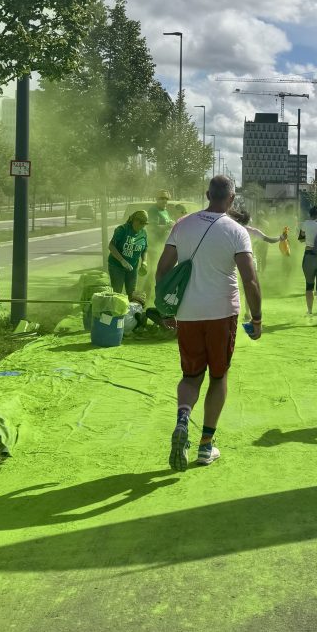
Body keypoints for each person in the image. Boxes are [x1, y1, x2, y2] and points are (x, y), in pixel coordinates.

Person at [157, 175, 262, 471]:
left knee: (191, 376)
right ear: (231, 199)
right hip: (222, 313)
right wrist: (256, 318)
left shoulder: (182, 225)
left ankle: (182, 418)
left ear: (207, 195)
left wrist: (165, 308)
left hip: (187, 313)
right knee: (218, 377)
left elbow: (163, 270)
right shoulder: (237, 231)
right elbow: (250, 280)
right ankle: (205, 446)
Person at [108, 210, 148, 296]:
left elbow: (145, 249)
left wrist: (144, 262)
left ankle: (129, 305)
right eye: (141, 223)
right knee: (117, 292)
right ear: (134, 220)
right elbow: (111, 246)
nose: (142, 226)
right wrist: (122, 261)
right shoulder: (122, 229)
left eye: (144, 224)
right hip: (117, 266)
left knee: (131, 292)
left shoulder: (143, 233)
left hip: (132, 268)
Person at [147, 189, 175, 253]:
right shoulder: (153, 210)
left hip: (164, 244)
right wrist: (168, 226)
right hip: (155, 246)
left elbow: (167, 222)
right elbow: (153, 227)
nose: (165, 201)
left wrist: (172, 223)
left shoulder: (164, 210)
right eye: (162, 199)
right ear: (157, 199)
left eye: (166, 199)